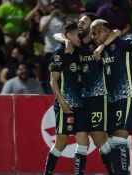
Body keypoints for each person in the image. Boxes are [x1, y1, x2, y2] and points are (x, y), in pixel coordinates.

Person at [53, 12, 121, 174]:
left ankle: (115, 171)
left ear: (92, 26)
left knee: (99, 139)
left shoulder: (99, 42)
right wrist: (65, 39)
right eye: (80, 21)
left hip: (97, 97)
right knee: (82, 139)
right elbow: (57, 34)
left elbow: (117, 32)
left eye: (84, 21)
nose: (80, 24)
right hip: (80, 99)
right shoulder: (75, 43)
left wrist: (102, 46)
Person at [90, 19, 132, 174]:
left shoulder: (123, 43)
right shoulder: (96, 51)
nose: (95, 35)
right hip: (108, 100)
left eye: (98, 31)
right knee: (110, 143)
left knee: (119, 138)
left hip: (126, 95)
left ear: (107, 30)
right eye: (93, 33)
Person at [43, 21, 88, 175]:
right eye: (77, 34)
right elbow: (53, 80)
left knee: (84, 142)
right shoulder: (60, 52)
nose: (80, 38)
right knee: (61, 142)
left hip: (81, 104)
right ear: (68, 35)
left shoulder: (80, 51)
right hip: (66, 104)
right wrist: (61, 102)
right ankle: (47, 172)